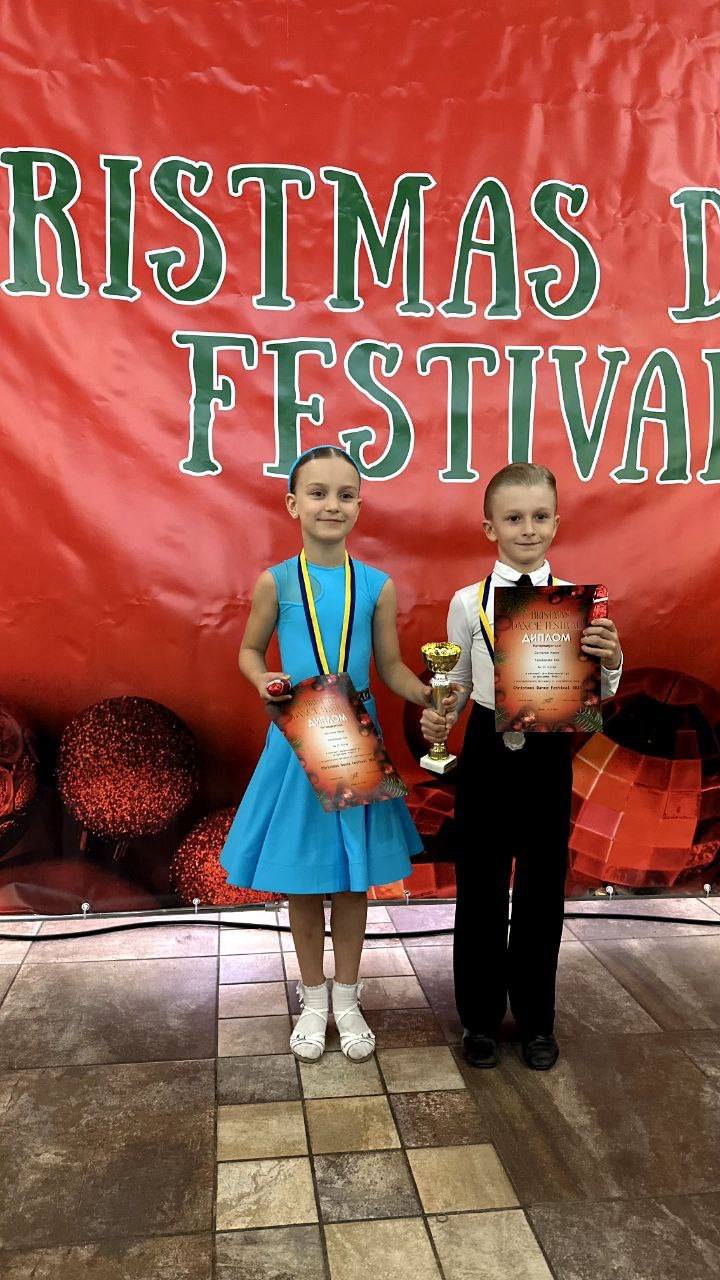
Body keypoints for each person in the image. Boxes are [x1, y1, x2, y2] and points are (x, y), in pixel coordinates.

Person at [221, 444, 444, 1063]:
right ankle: (313, 997)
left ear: (360, 507)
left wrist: (428, 694)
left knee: (351, 880)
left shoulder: (376, 586)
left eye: (345, 495)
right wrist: (262, 678)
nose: (331, 505)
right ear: (293, 504)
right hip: (298, 741)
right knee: (303, 880)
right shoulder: (276, 582)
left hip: (355, 739)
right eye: (317, 493)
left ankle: (347, 997)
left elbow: (391, 667)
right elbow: (249, 650)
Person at [421, 462, 622, 1071]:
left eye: (539, 517)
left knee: (541, 886)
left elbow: (595, 696)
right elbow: (456, 679)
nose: (527, 528)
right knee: (480, 884)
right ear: (490, 528)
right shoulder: (466, 603)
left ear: (557, 522)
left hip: (549, 749)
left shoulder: (582, 605)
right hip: (487, 744)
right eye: (513, 518)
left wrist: (611, 662)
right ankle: (479, 1020)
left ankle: (537, 1020)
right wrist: (440, 715)